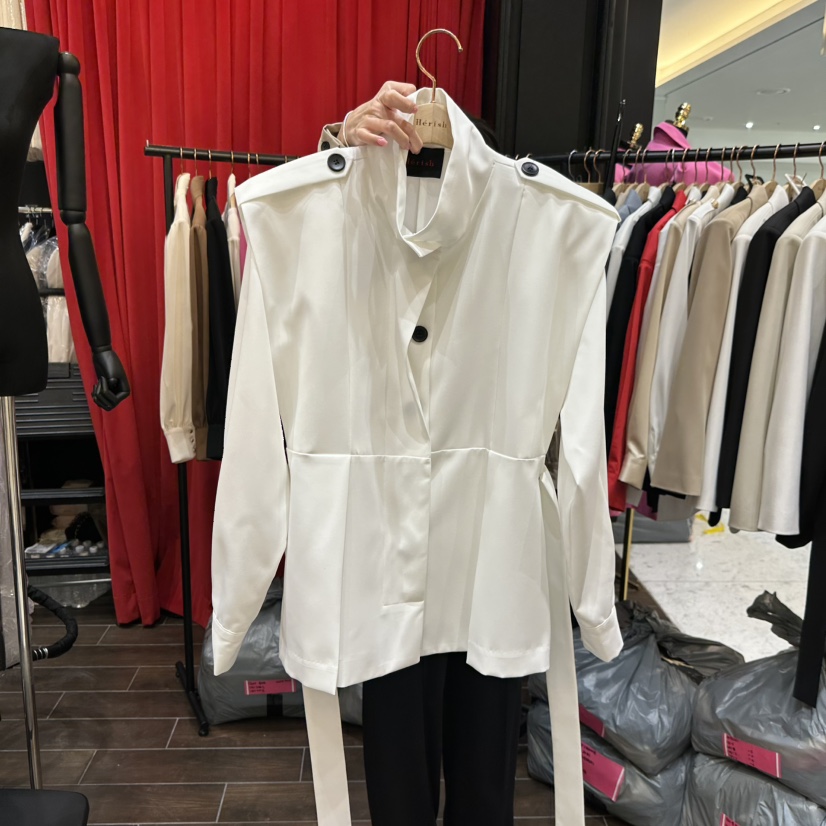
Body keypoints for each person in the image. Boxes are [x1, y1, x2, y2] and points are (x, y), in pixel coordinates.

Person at [316, 81, 522, 826]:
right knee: (399, 747)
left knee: (484, 757)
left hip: (485, 537)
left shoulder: (526, 223)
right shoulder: (345, 217)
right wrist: (339, 146)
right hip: (388, 537)